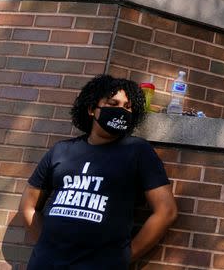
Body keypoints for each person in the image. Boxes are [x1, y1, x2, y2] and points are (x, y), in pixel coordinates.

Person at [18, 75, 177, 269]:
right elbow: (28, 205)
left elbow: (166, 211)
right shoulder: (61, 150)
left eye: (127, 107)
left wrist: (124, 258)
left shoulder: (138, 151)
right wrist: (44, 245)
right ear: (92, 109)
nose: (121, 110)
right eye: (113, 103)